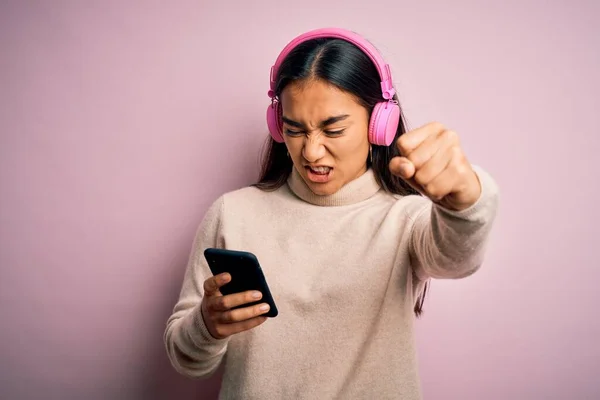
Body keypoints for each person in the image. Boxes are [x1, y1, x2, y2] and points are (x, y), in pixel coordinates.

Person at [164, 27, 499, 399]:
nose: (311, 152)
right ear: (278, 126)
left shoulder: (406, 220)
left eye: (333, 129)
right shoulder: (233, 213)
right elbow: (186, 359)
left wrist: (465, 201)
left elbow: (458, 258)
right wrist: (206, 326)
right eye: (294, 129)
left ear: (380, 125)